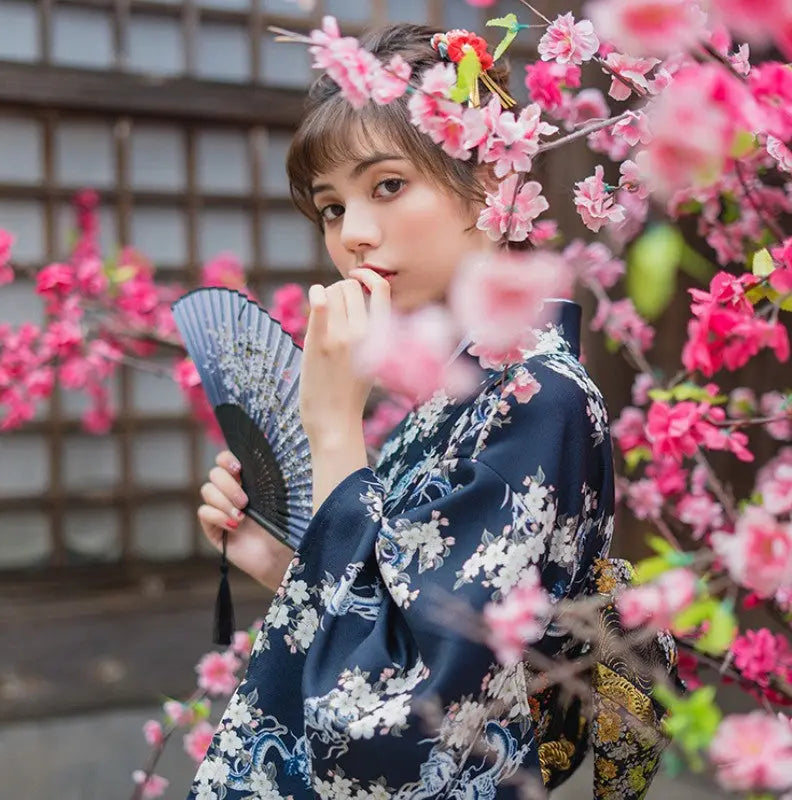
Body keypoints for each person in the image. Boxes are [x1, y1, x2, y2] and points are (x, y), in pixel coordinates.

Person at [189, 22, 676, 800]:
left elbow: (407, 716)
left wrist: (333, 428)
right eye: (330, 208)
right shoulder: (455, 394)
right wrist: (286, 561)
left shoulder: (539, 398)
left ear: (488, 180)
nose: (354, 235)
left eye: (387, 186)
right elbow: (400, 614)